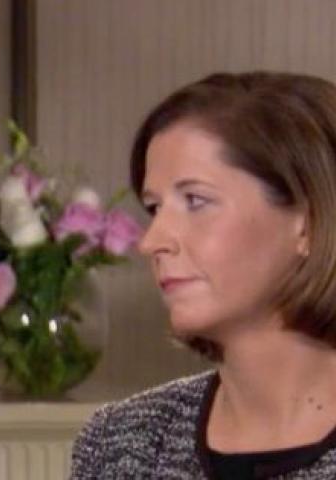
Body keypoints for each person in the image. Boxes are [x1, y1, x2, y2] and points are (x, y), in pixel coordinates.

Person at [70, 71, 336, 479]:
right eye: (154, 208)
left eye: (195, 201)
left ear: (308, 223)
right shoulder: (120, 441)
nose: (152, 241)